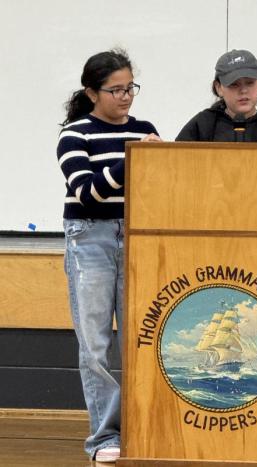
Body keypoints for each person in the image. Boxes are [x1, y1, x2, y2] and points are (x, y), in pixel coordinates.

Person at [56, 48, 161, 463]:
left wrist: (157, 160)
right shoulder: (74, 134)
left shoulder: (146, 129)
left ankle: (145, 429)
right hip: (91, 239)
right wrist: (136, 157)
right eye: (115, 90)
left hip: (137, 236)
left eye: (130, 87)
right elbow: (87, 192)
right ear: (91, 92)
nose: (126, 97)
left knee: (141, 337)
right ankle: (103, 439)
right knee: (95, 344)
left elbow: (155, 190)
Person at [175, 49, 257, 143]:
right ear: (219, 88)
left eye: (250, 83)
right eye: (234, 84)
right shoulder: (202, 125)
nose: (243, 90)